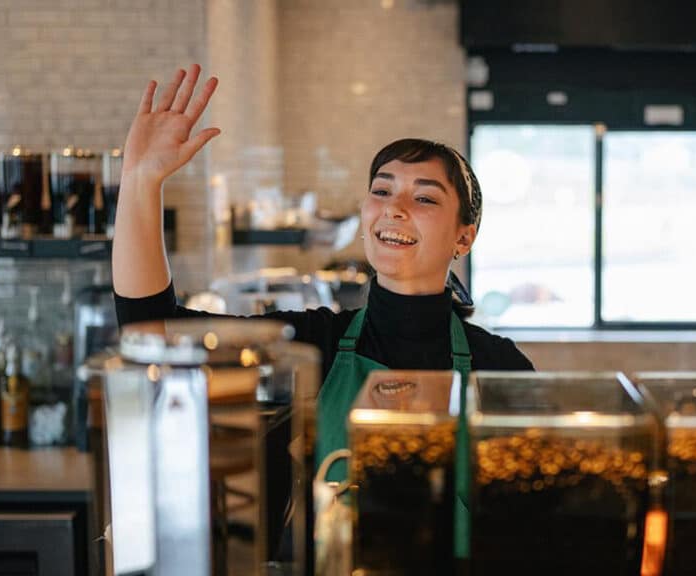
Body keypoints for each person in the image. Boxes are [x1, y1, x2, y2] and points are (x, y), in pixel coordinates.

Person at [112, 64, 533, 560]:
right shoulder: (314, 346)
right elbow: (154, 332)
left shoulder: (501, 370)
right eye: (381, 190)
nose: (394, 207)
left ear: (465, 236)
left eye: (423, 197)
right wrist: (141, 182)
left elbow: (530, 537)